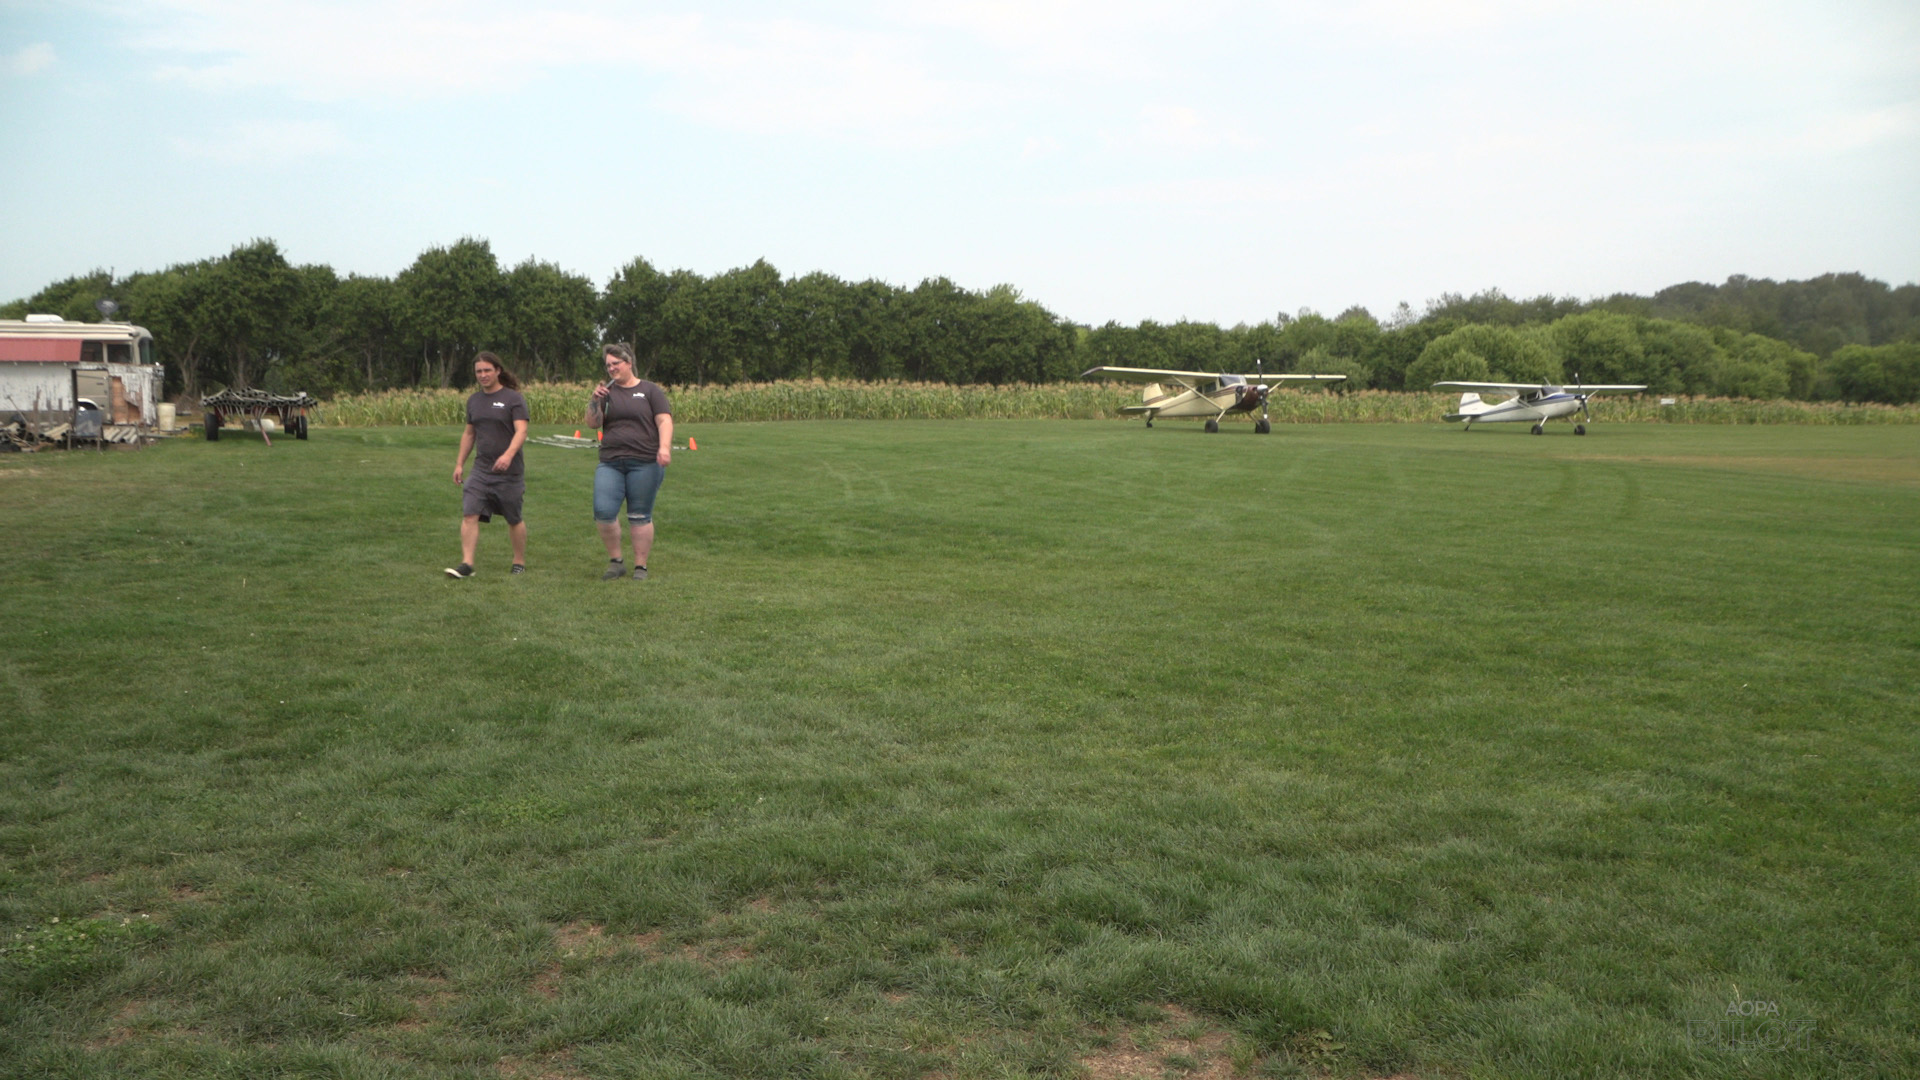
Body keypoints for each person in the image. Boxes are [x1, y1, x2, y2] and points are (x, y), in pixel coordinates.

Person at [586, 343, 671, 580]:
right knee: (603, 511)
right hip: (610, 462)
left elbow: (664, 421)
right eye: (608, 365)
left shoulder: (650, 390)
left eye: (616, 364)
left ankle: (640, 566)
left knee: (639, 515)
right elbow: (593, 424)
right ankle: (616, 562)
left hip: (645, 462)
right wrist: (594, 400)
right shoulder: (606, 393)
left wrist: (664, 448)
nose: (611, 368)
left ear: (629, 363)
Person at [446, 352, 529, 578]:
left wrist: (508, 455)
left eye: (487, 370)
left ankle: (519, 561)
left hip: (509, 472)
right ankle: (467, 564)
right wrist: (459, 464)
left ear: (497, 370)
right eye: (479, 371)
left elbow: (521, 431)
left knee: (514, 518)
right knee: (470, 514)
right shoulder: (474, 400)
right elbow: (469, 434)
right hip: (481, 470)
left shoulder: (513, 399)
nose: (482, 375)